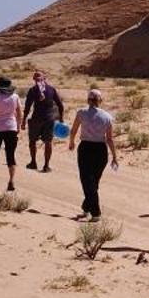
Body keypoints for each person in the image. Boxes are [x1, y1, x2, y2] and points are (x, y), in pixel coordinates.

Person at [67, 87, 118, 220]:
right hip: (101, 150)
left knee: (87, 181)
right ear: (100, 101)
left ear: (88, 100)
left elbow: (73, 130)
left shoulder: (81, 113)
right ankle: (86, 208)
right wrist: (114, 156)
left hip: (86, 148)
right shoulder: (107, 116)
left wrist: (71, 142)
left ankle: (96, 213)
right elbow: (110, 139)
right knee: (93, 181)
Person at [0, 75, 23, 192]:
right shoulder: (15, 97)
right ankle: (11, 181)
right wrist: (18, 126)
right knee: (10, 155)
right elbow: (19, 112)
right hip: (11, 127)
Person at [24, 68, 65, 172]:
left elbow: (27, 107)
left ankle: (33, 162)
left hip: (36, 119)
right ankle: (46, 166)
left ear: (34, 79)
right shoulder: (51, 89)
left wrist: (23, 120)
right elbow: (60, 105)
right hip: (49, 119)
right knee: (48, 142)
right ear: (45, 79)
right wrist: (61, 119)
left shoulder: (32, 90)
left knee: (32, 141)